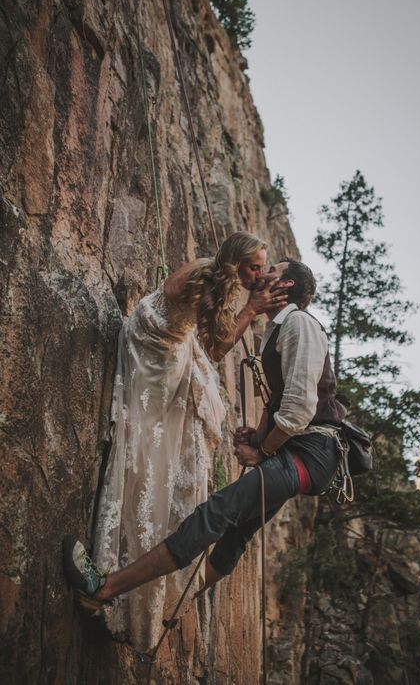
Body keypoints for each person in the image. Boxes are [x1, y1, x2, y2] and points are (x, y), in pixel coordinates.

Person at [63, 259, 347, 634]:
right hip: (303, 453)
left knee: (217, 511)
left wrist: (262, 451)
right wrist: (259, 437)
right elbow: (280, 400)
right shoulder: (278, 329)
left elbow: (298, 409)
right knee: (237, 534)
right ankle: (174, 605)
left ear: (287, 283)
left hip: (310, 453)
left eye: (273, 269)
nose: (264, 274)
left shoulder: (299, 324)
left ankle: (104, 588)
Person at [88, 232, 291, 650]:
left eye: (262, 266)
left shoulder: (209, 269)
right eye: (254, 266)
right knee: (183, 430)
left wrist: (245, 300)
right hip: (155, 349)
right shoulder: (210, 282)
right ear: (236, 262)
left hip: (153, 326)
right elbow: (215, 349)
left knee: (200, 397)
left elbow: (179, 306)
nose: (258, 273)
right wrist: (251, 310)